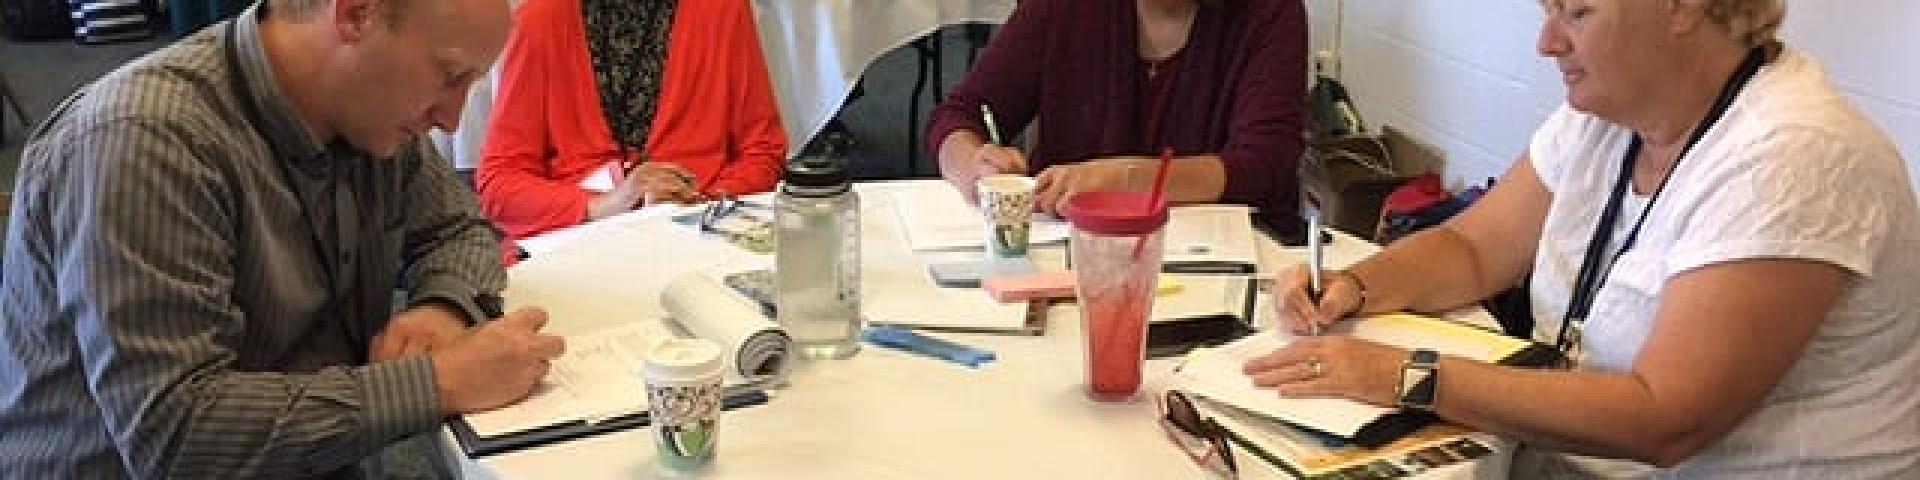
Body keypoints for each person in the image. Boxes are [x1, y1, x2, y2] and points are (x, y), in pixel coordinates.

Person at [1246, 0, 1920, 477]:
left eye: (1577, 12)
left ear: (1682, 7)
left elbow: (1667, 420)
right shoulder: (1614, 113)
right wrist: (1355, 287)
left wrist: (1410, 378)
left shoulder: (1794, 155)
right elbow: (1474, 249)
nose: (1547, 43)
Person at [0, 0, 566, 476]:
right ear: (356, 15)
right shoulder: (143, 142)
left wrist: (442, 305)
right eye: (448, 75)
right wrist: (436, 382)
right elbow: (175, 433)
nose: (451, 117)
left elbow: (460, 228)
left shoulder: (366, 109)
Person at [927, 0, 1309, 235]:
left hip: (1216, 272)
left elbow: (1265, 165)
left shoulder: (1270, 12)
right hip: (1070, 264)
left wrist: (1127, 180)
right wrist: (973, 163)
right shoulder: (1062, 9)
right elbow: (961, 114)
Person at [475, 0, 787, 243]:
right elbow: (499, 184)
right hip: (580, 241)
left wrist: (703, 203)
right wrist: (604, 205)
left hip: (700, 233)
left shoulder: (721, 11)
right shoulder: (540, 21)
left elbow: (763, 151)